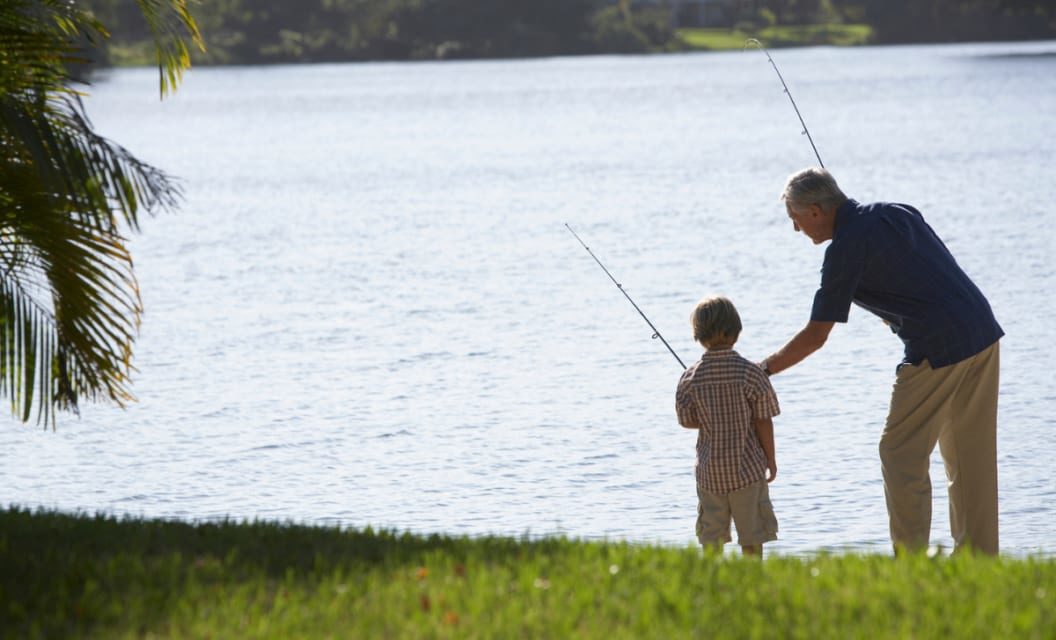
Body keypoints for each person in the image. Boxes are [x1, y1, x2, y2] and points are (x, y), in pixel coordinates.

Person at [760, 167, 1003, 556]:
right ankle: (980, 560)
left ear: (817, 210)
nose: (796, 229)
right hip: (982, 331)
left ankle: (910, 563)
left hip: (938, 349)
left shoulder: (843, 250)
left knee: (899, 453)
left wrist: (763, 370)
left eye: (796, 219)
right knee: (969, 454)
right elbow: (922, 273)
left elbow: (816, 335)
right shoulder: (895, 210)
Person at [676, 296, 780, 557]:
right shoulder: (751, 373)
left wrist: (710, 415)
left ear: (699, 336)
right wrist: (771, 459)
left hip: (710, 474)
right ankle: (751, 585)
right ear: (736, 331)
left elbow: (686, 420)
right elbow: (763, 419)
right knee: (752, 536)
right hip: (747, 470)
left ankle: (713, 587)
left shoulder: (690, 377)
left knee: (711, 538)